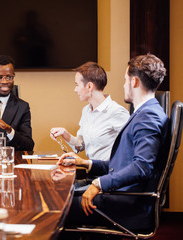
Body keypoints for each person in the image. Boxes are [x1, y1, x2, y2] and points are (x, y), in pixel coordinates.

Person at [58, 54, 169, 233]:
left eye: (125, 80)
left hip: (125, 203)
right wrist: (86, 163)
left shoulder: (148, 116)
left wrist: (98, 184)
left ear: (134, 82)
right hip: (121, 195)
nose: (123, 84)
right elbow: (124, 163)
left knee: (56, 209)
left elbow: (142, 167)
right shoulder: (145, 113)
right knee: (61, 196)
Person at [50, 62, 129, 161]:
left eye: (77, 85)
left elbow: (130, 148)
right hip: (92, 170)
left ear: (89, 86)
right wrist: (65, 134)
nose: (75, 90)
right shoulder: (86, 111)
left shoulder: (117, 112)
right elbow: (80, 145)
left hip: (109, 173)